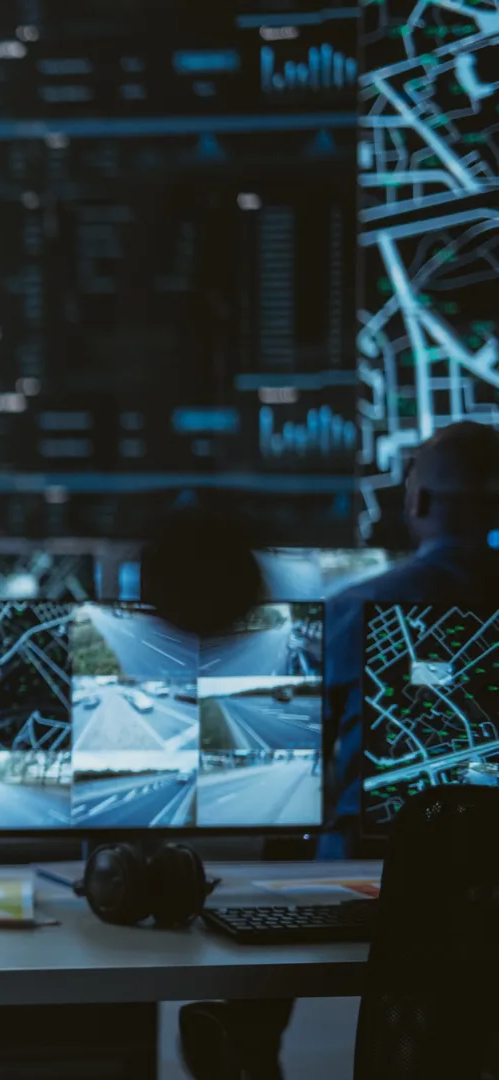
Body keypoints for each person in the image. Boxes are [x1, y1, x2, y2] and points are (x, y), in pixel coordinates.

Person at [179, 422, 499, 1080]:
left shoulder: (361, 609)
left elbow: (288, 754)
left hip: (374, 891)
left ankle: (251, 1041)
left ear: (418, 503)